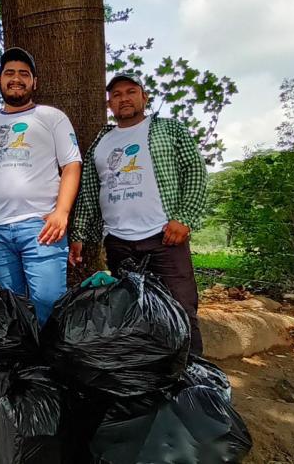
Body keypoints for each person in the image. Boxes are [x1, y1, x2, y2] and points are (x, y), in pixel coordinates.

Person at [69, 72, 208, 355]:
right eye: (117, 95)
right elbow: (89, 191)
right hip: (119, 242)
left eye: (131, 92)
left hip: (164, 237)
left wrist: (185, 218)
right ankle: (150, 377)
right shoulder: (101, 141)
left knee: (181, 309)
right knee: (134, 312)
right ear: (110, 105)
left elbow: (195, 171)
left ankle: (195, 382)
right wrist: (80, 234)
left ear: (144, 97)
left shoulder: (168, 129)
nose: (124, 99)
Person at [0, 48, 82, 325]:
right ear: (0, 80)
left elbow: (72, 165)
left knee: (48, 300)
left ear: (34, 82)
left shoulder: (52, 118)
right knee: (7, 307)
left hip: (41, 227)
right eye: (9, 73)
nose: (16, 79)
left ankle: (47, 364)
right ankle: (20, 366)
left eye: (24, 74)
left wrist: (61, 212)